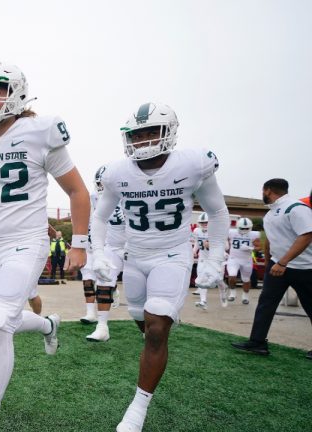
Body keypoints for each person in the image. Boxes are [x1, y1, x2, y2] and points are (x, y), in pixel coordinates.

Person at [0, 62, 89, 432]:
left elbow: (76, 191)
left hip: (27, 244)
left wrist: (79, 243)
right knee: (4, 321)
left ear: (17, 92)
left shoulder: (40, 130)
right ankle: (47, 325)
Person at [90, 102, 228, 432]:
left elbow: (218, 211)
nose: (143, 140)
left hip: (172, 254)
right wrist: (101, 254)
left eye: (151, 131)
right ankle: (157, 344)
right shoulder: (116, 172)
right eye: (136, 134)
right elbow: (100, 216)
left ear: (170, 132)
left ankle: (137, 409)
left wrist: (215, 258)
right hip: (136, 257)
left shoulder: (194, 164)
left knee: (155, 328)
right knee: (143, 322)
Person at [232, 179, 312, 359]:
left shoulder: (296, 208)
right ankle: (257, 342)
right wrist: (269, 262)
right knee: (265, 304)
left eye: (263, 191)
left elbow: (307, 235)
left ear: (267, 190)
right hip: (276, 267)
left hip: (304, 268)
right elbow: (271, 240)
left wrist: (283, 262)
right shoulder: (270, 214)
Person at [79, 165, 126, 342]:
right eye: (100, 183)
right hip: (108, 246)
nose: (102, 187)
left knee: (140, 293)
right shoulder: (93, 199)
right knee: (101, 280)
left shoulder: (128, 192)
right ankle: (101, 325)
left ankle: (147, 325)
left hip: (134, 246)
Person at [226, 217, 261, 304]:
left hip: (246, 260)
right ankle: (232, 293)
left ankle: (245, 296)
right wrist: (224, 250)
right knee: (232, 276)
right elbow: (222, 241)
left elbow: (259, 247)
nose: (245, 230)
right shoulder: (231, 232)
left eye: (246, 228)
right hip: (233, 259)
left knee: (246, 279)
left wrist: (250, 248)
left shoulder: (254, 234)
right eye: (242, 228)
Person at [191, 212, 211, 309]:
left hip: (213, 259)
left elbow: (224, 246)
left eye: (206, 222)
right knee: (200, 278)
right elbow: (196, 243)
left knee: (206, 279)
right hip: (202, 258)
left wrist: (211, 245)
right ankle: (203, 300)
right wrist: (194, 251)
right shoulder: (197, 231)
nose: (204, 224)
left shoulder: (215, 230)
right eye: (202, 222)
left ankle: (204, 300)